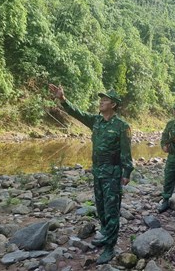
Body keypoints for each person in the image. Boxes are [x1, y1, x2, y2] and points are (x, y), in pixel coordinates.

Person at [49, 84, 133, 265]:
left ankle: (110, 247)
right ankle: (105, 235)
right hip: (98, 172)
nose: (101, 102)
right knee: (101, 208)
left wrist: (127, 172)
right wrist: (63, 99)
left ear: (114, 104)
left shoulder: (122, 126)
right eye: (101, 99)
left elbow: (126, 152)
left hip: (112, 173)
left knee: (111, 211)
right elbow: (77, 113)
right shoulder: (96, 121)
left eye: (105, 100)